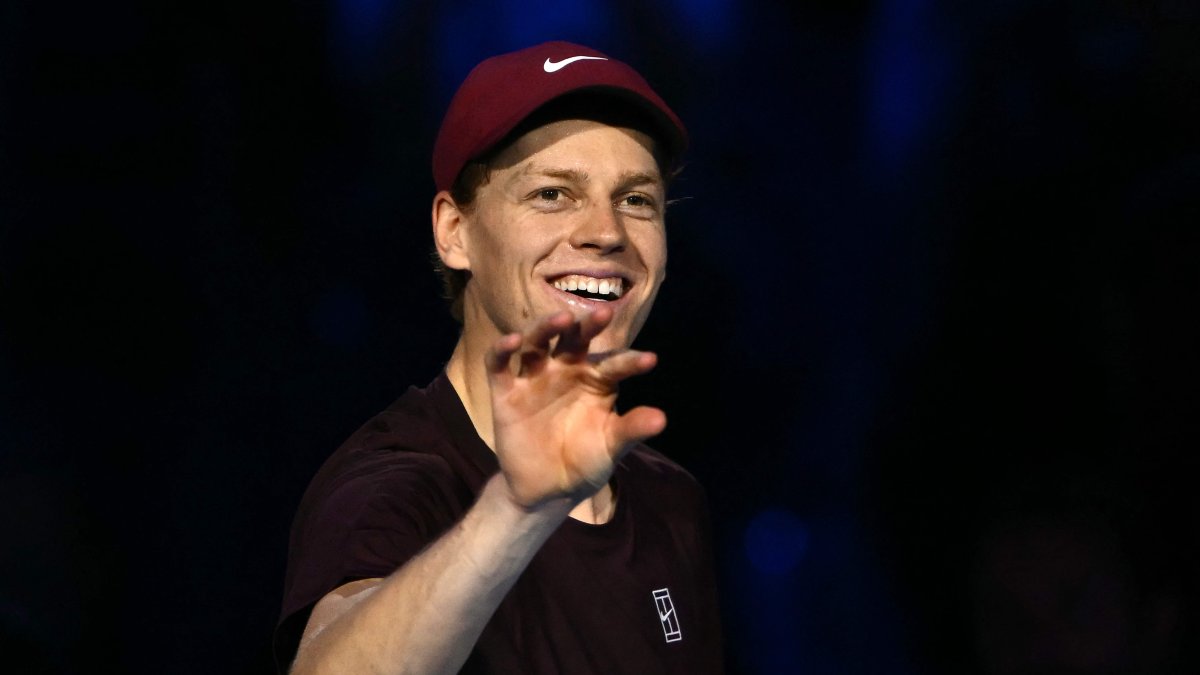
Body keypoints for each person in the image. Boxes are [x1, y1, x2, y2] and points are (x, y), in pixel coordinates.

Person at [274, 41, 723, 674]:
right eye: (552, 194)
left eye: (636, 200)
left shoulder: (670, 499)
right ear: (454, 233)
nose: (607, 231)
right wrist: (517, 510)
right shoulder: (393, 485)